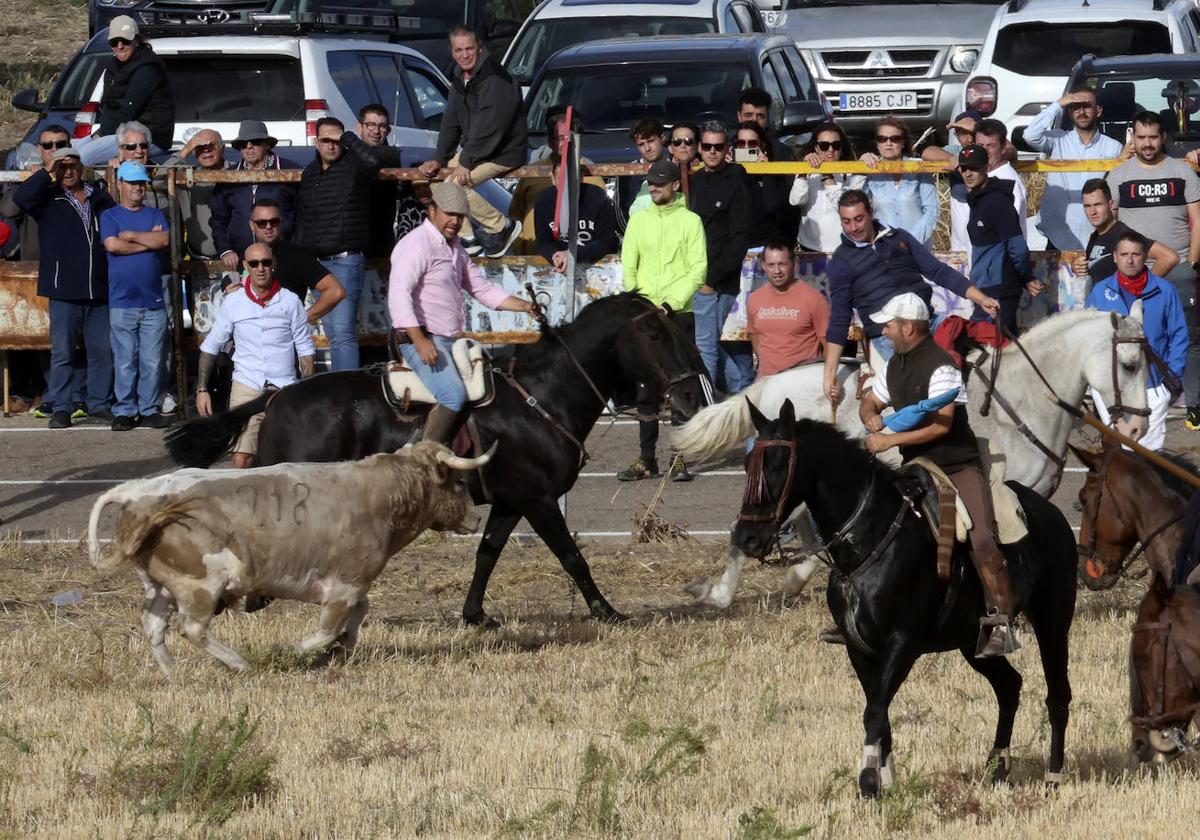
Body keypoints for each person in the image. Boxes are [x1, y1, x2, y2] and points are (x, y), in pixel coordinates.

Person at [860, 292, 1018, 658]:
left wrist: (889, 440)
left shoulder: (943, 366)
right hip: (915, 465)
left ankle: (1001, 622)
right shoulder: (896, 363)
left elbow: (940, 426)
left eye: (889, 324)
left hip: (955, 465)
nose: (884, 330)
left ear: (908, 327)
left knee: (981, 539)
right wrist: (870, 415)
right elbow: (873, 399)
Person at [388, 181, 537, 446]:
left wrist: (524, 306)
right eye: (450, 213)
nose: (455, 221)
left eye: (460, 215)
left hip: (448, 340)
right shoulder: (415, 245)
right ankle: (425, 461)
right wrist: (420, 342)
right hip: (421, 339)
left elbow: (481, 288)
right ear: (431, 209)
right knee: (452, 395)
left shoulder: (454, 248)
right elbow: (399, 296)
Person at [822, 190, 1000, 403]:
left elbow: (938, 271)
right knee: (925, 390)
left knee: (987, 353)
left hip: (929, 322)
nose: (853, 228)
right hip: (891, 337)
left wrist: (980, 298)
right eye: (846, 221)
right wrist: (829, 375)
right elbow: (839, 319)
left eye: (859, 219)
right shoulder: (841, 261)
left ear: (870, 213)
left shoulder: (899, 238)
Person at [1108, 110, 1200, 429]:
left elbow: (1198, 219)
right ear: (1133, 137)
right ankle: (1125, 397)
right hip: (1134, 270)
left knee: (1185, 337)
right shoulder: (1118, 176)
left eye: (1153, 137)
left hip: (1178, 267)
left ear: (1163, 138)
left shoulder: (1183, 172)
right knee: (1127, 337)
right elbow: (1109, 223)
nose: (1147, 144)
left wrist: (1192, 262)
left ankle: (1192, 401)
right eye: (1141, 137)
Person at [12, 146, 115, 428]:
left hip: (98, 287)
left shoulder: (99, 196)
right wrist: (47, 172)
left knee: (101, 350)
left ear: (82, 168)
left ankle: (99, 403)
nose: (68, 171)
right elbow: (19, 199)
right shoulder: (48, 197)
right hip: (63, 288)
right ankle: (61, 406)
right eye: (62, 166)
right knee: (63, 352)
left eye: (72, 165)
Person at [619, 159, 707, 482]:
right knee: (646, 389)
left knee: (681, 389)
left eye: (660, 183)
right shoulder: (638, 221)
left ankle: (679, 458)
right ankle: (646, 459)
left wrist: (671, 303)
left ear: (676, 185)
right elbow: (628, 264)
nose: (654, 188)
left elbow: (697, 269)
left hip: (677, 315)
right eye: (651, 183)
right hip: (645, 317)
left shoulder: (691, 221)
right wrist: (638, 302)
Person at [196, 243, 315, 468]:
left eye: (266, 263)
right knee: (241, 460)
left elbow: (305, 351)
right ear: (245, 267)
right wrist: (202, 389)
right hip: (247, 386)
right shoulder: (233, 302)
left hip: (285, 389)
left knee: (289, 461)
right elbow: (211, 346)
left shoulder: (290, 301)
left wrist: (305, 393)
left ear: (274, 265)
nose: (260, 268)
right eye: (254, 263)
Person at [418, 26, 527, 258]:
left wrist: (466, 161)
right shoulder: (460, 76)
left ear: (479, 48)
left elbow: (491, 127)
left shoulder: (495, 79)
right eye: (459, 50)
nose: (464, 54)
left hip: (503, 152)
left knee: (454, 186)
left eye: (469, 48)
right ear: (452, 51)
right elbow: (451, 121)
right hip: (477, 151)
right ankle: (467, 237)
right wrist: (439, 158)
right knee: (437, 180)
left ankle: (501, 227)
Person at [294, 117, 391, 371]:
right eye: (326, 140)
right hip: (318, 264)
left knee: (343, 332)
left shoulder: (355, 166)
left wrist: (348, 137)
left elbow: (374, 161)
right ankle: (339, 391)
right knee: (332, 334)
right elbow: (303, 216)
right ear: (316, 143)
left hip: (346, 259)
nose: (332, 145)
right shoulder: (310, 173)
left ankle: (347, 393)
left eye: (337, 141)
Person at [0, 125, 81, 419]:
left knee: (73, 339)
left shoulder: (77, 176)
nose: (55, 150)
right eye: (48, 145)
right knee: (36, 339)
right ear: (40, 150)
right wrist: (39, 176)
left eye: (61, 144)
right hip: (35, 273)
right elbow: (9, 209)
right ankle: (44, 392)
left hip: (72, 272)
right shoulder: (35, 179)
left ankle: (71, 396)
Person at [1085, 230, 1187, 451]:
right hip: (1110, 387)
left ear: (1145, 257)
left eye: (1135, 254)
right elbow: (1088, 337)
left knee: (1146, 456)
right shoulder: (1100, 292)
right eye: (1124, 254)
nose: (1129, 260)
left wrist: (1171, 380)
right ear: (1115, 257)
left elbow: (1179, 335)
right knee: (1116, 452)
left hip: (1152, 385)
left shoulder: (1165, 291)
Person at [101, 161, 170, 431]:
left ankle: (149, 408)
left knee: (152, 360)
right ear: (120, 185)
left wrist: (129, 236)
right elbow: (112, 245)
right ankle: (125, 410)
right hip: (121, 301)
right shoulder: (110, 216)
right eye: (132, 183)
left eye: (141, 183)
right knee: (125, 360)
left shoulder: (155, 214)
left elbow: (163, 242)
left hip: (153, 301)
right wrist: (146, 242)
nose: (138, 188)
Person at [691, 121, 754, 395]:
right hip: (695, 276)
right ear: (699, 149)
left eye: (718, 146)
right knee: (710, 343)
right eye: (707, 146)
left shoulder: (737, 180)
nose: (712, 152)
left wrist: (712, 280)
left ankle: (723, 398)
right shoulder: (692, 180)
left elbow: (740, 236)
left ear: (727, 149)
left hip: (720, 280)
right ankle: (736, 393)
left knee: (708, 344)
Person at [1024, 87, 1124, 251]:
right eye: (1075, 106)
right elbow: (1030, 135)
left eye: (1086, 106)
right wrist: (1060, 103)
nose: (1081, 111)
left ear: (1098, 111)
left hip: (1097, 237)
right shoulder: (1057, 140)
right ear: (1069, 111)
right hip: (1057, 235)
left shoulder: (1113, 148)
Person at [958, 145, 1040, 334]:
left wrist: (1025, 277)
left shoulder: (997, 201)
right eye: (964, 168)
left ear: (986, 167)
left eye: (974, 168)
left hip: (998, 288)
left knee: (988, 346)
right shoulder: (978, 199)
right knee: (1004, 348)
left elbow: (1017, 247)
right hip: (987, 286)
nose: (968, 173)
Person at [76, 16, 174, 166]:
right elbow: (107, 106)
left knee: (83, 158)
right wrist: (99, 133)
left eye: (125, 41)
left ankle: (85, 190)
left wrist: (101, 134)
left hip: (148, 138)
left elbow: (128, 111)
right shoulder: (114, 66)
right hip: (119, 133)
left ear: (136, 40)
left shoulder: (147, 69)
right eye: (114, 42)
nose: (120, 46)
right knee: (69, 152)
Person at [509, 107, 605, 255]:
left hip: (580, 259)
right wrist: (519, 245)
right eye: (560, 138)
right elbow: (516, 213)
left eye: (569, 138)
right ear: (549, 140)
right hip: (533, 258)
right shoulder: (532, 173)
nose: (565, 143)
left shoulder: (591, 176)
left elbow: (603, 221)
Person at [211, 120, 296, 271]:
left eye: (255, 141)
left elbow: (303, 215)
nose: (249, 146)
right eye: (243, 143)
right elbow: (218, 220)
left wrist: (295, 249)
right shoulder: (228, 177)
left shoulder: (291, 171)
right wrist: (225, 249)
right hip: (240, 261)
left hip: (283, 259)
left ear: (267, 144)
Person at [248, 199, 345, 325]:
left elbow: (335, 291)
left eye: (274, 221)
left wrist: (300, 319)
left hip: (283, 338)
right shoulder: (247, 252)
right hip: (250, 338)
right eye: (262, 222)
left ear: (281, 223)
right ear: (251, 225)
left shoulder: (296, 255)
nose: (268, 226)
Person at [1072, 179, 1179, 287]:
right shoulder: (1095, 236)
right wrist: (1078, 268)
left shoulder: (1122, 234)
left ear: (1110, 205)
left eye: (1098, 204)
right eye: (1087, 206)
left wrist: (1140, 288)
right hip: (1097, 302)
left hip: (1119, 303)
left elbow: (1169, 257)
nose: (1093, 212)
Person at [746, 240, 829, 378]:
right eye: (771, 265)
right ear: (764, 266)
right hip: (766, 383)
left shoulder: (814, 299)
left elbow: (829, 345)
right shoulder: (754, 299)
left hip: (801, 383)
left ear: (794, 264)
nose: (777, 271)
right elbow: (755, 336)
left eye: (782, 264)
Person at [356, 103, 424, 259]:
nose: (376, 131)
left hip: (381, 237)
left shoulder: (391, 155)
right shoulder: (348, 155)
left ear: (388, 130)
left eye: (382, 126)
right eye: (370, 125)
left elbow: (371, 159)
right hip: (351, 240)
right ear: (359, 127)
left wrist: (347, 140)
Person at [859, 116, 938, 248]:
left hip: (918, 248)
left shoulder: (919, 168)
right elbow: (857, 205)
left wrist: (911, 241)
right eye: (882, 139)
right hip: (884, 248)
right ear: (877, 144)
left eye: (895, 139)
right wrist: (861, 168)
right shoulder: (870, 169)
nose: (888, 143)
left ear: (903, 143)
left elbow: (932, 210)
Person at [533, 151, 619, 272]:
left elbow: (606, 241)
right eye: (561, 179)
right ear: (553, 179)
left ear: (581, 178)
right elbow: (543, 241)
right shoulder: (544, 201)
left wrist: (573, 255)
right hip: (559, 265)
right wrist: (555, 255)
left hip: (596, 266)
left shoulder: (598, 198)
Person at [791, 122, 864, 253]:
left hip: (843, 250)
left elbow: (847, 208)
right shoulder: (807, 171)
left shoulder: (852, 173)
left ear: (842, 148)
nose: (830, 150)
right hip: (809, 249)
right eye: (824, 146)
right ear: (816, 148)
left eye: (836, 145)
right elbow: (796, 201)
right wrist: (803, 170)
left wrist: (827, 176)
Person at [163, 129, 229, 259]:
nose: (206, 150)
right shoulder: (185, 176)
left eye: (211, 145)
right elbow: (158, 182)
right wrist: (185, 150)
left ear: (223, 148)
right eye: (199, 147)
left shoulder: (239, 172)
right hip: (199, 263)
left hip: (236, 261)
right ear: (193, 150)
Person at [736, 121, 794, 246]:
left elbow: (771, 206)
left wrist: (766, 172)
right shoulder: (731, 172)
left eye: (752, 143)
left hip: (766, 245)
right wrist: (728, 170)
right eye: (741, 143)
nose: (746, 148)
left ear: (761, 145)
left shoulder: (773, 173)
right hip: (737, 246)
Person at [618, 118, 666, 224]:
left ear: (662, 138)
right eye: (641, 144)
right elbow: (621, 212)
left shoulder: (676, 167)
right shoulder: (626, 172)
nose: (647, 148)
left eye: (651, 141)